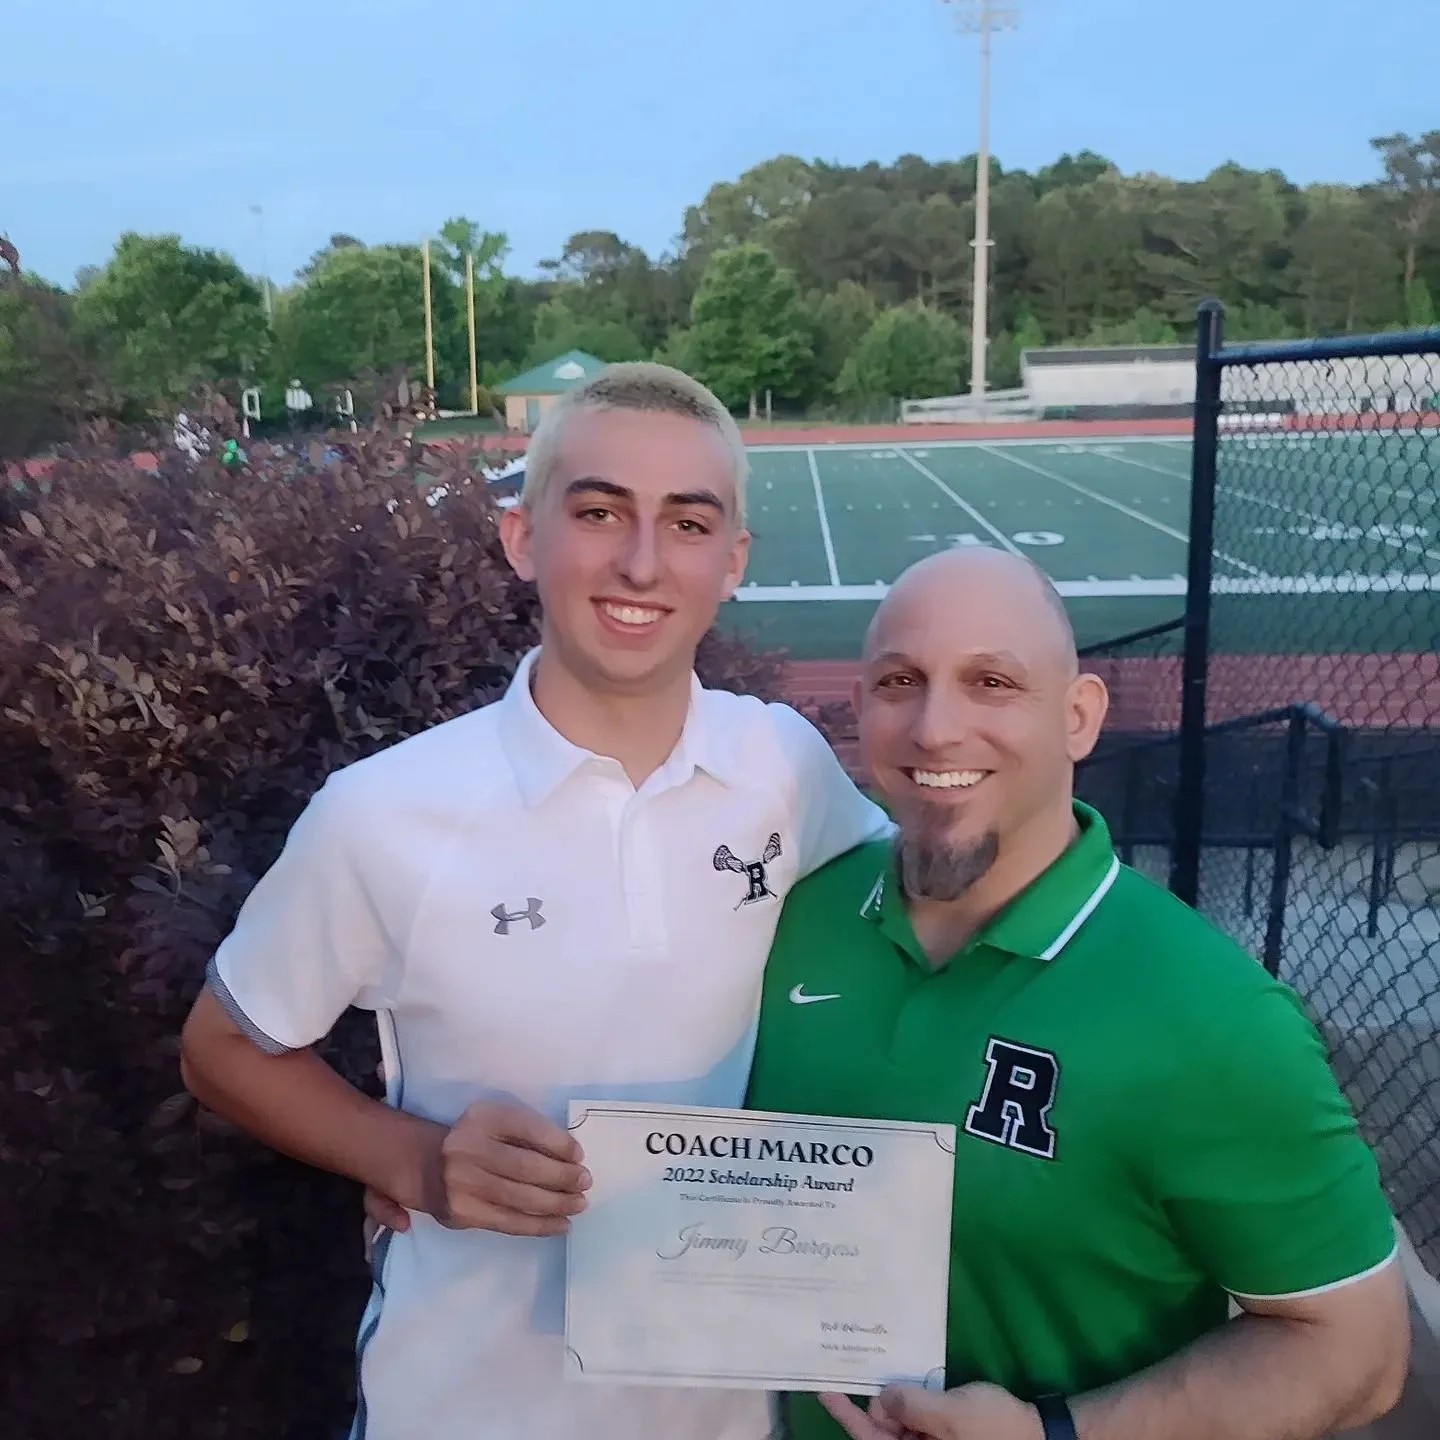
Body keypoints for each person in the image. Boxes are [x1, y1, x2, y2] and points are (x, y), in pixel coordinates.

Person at [178, 362, 890, 1440]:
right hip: (461, 1408)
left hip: (725, 1411)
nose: (642, 562)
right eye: (600, 512)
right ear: (523, 539)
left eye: (688, 524)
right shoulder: (381, 815)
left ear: (732, 563)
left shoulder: (783, 764)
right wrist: (408, 1158)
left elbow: (916, 930)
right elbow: (220, 1047)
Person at [745, 546, 1410, 1440]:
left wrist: (1056, 1433)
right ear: (861, 707)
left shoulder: (1211, 1015)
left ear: (1079, 717)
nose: (937, 728)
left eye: (992, 682)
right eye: (902, 681)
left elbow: (1358, 1352)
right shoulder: (794, 916)